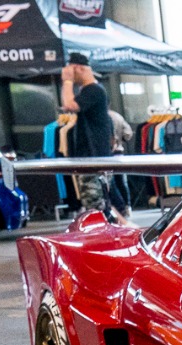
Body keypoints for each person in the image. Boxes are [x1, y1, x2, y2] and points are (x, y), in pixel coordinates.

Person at [58, 52, 115, 221]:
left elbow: (69, 105)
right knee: (99, 203)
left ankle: (105, 238)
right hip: (93, 156)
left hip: (93, 156)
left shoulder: (94, 91)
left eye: (71, 71)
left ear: (79, 68)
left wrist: (67, 81)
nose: (69, 75)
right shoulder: (92, 91)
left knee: (95, 205)